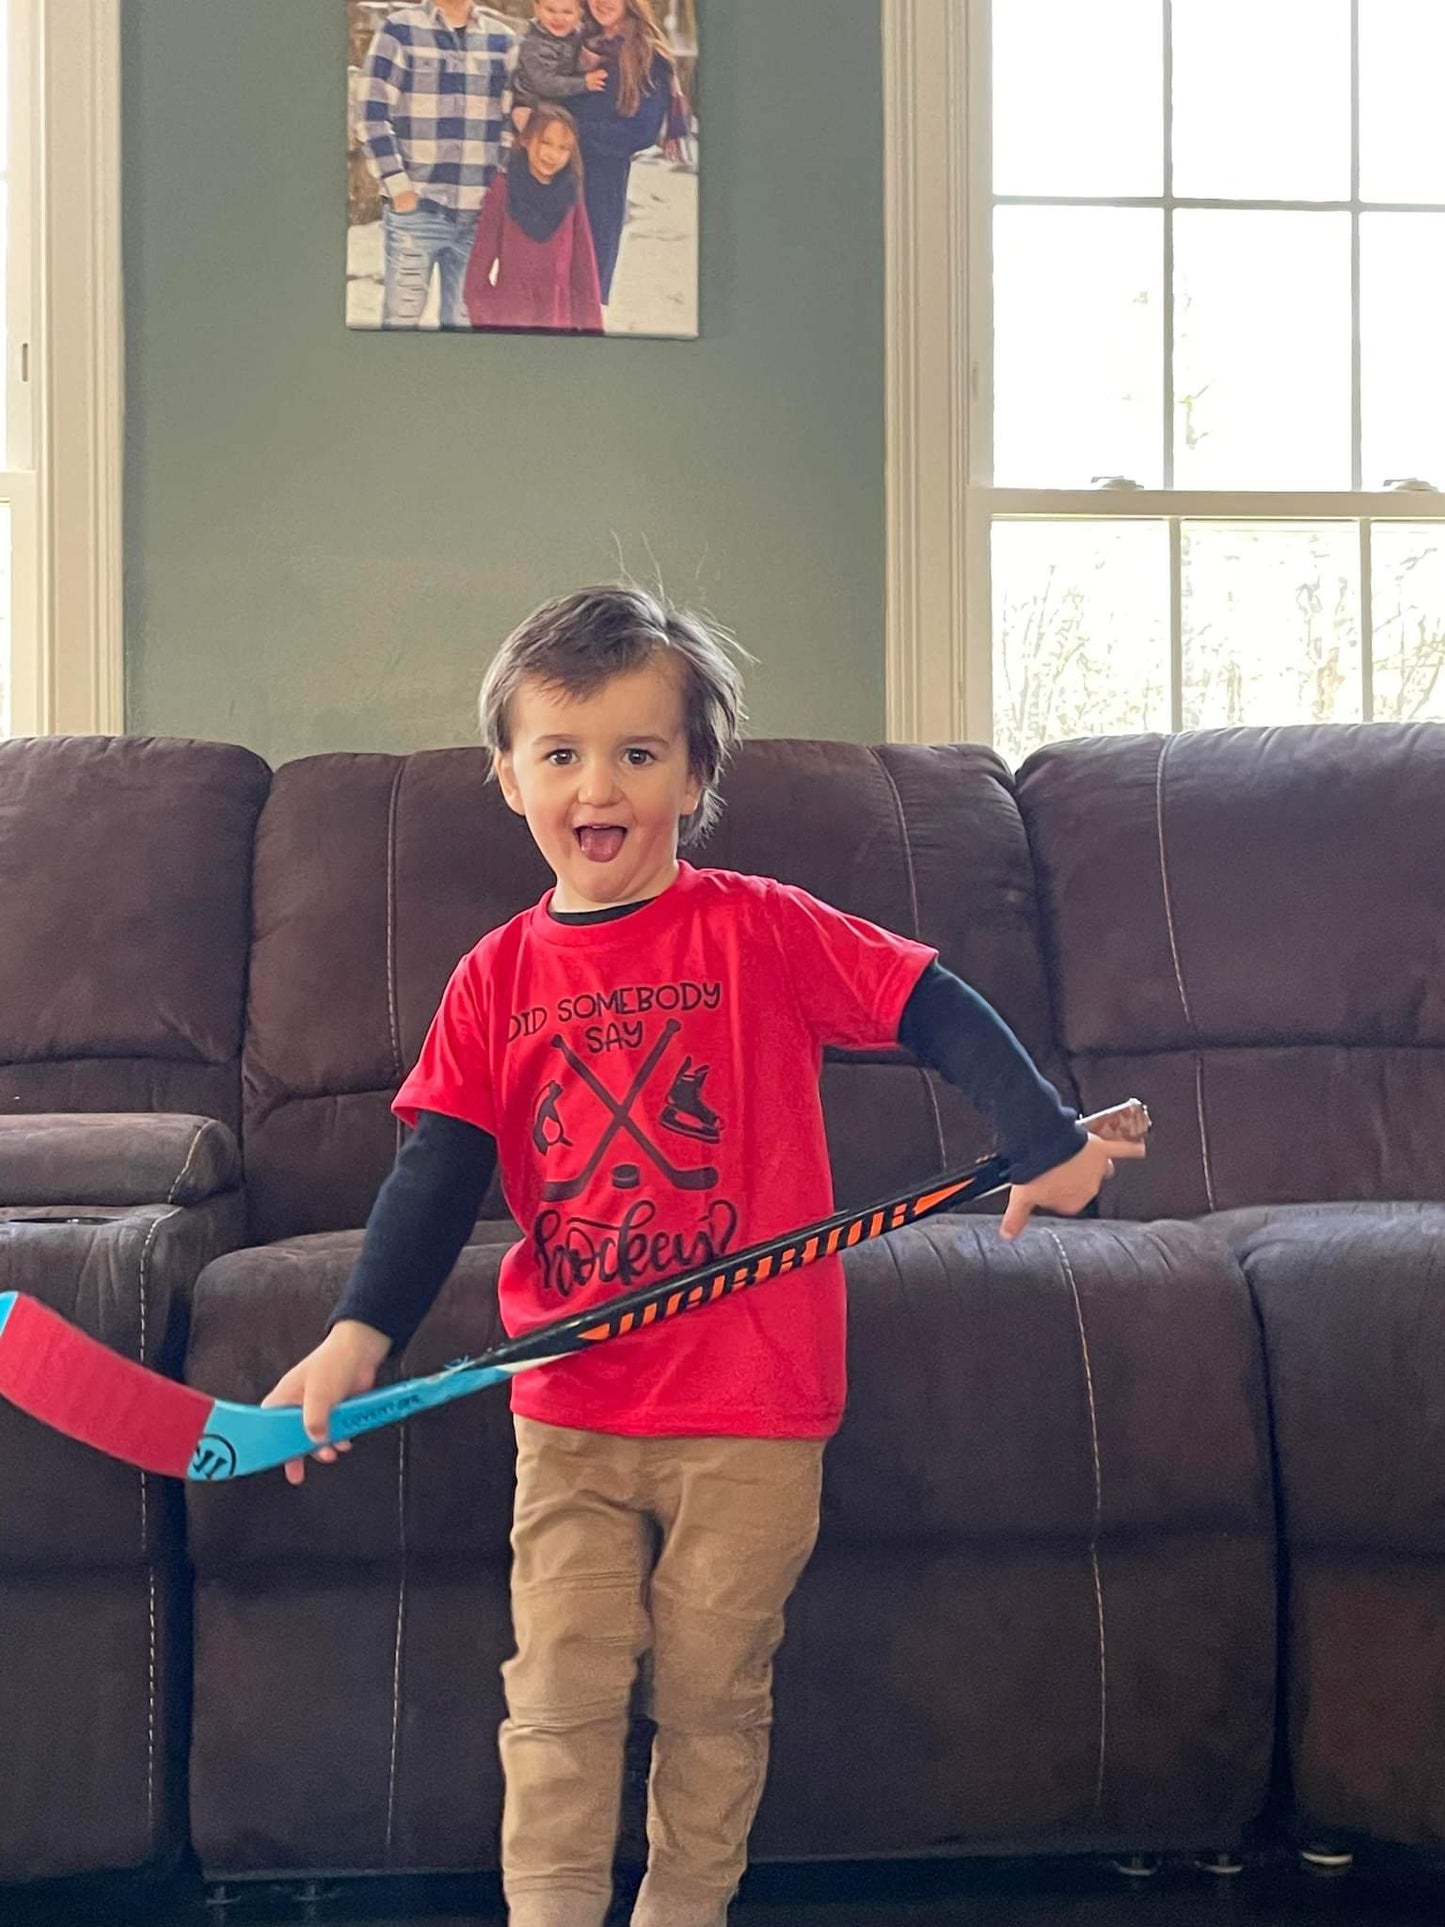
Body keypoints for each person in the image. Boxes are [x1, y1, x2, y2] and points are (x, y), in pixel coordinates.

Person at [262, 586, 1144, 1927]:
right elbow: (435, 1170)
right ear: (508, 778)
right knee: (557, 1686)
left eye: (636, 751)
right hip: (572, 1409)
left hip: (753, 1402)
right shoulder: (494, 978)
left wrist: (1037, 1136)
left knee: (711, 1685)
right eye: (558, 752)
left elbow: (932, 999)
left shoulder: (761, 928)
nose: (595, 783)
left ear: (694, 772)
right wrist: (354, 1334)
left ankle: (687, 1906)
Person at [356, 1, 519, 328]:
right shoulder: (400, 30)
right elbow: (371, 115)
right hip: (416, 213)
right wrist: (398, 186)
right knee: (401, 324)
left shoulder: (503, 39)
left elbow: (511, 123)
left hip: (478, 216)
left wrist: (497, 187)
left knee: (463, 326)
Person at [563, 0, 689, 305]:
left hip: (602, 184)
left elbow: (641, 131)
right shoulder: (572, 41)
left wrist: (571, 133)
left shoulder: (649, 55)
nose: (602, 3)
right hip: (554, 175)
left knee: (586, 289)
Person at [464, 105, 604, 334]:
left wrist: (593, 332)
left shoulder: (572, 194)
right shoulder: (502, 188)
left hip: (558, 320)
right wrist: (487, 319)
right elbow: (477, 271)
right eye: (545, 142)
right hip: (510, 319)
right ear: (527, 140)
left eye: (563, 148)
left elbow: (584, 271)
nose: (552, 154)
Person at [512, 0, 609, 133]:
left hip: (561, 100)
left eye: (567, 12)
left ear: (579, 13)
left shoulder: (577, 32)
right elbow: (544, 83)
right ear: (537, 8)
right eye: (551, 10)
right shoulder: (533, 42)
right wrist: (584, 83)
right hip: (533, 103)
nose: (558, 18)